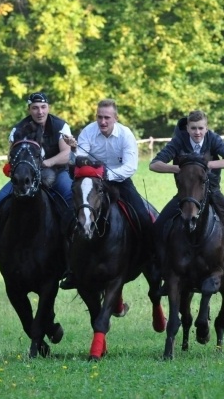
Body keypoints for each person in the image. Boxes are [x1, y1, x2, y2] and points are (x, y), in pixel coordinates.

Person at [149, 109, 224, 296]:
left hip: (212, 192)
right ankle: (161, 271)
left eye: (201, 128)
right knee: (159, 226)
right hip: (187, 195)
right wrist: (180, 168)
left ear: (206, 128)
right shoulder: (178, 141)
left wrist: (208, 165)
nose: (197, 132)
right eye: (193, 128)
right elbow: (154, 164)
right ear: (187, 128)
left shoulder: (213, 139)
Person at [0, 92, 74, 270]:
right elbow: (11, 155)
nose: (40, 111)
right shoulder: (19, 129)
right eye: (35, 108)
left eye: (43, 107)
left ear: (48, 107)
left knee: (71, 197)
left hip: (57, 172)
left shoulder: (60, 126)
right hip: (27, 176)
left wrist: (46, 163)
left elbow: (67, 154)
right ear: (29, 109)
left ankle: (73, 255)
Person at [60, 98, 154, 289]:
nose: (102, 122)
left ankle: (149, 259)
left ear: (115, 118)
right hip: (91, 183)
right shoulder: (88, 131)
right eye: (99, 117)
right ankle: (71, 268)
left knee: (143, 217)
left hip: (119, 181)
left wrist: (106, 174)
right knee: (66, 219)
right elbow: (79, 159)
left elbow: (130, 167)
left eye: (107, 118)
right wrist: (74, 149)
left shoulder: (126, 135)